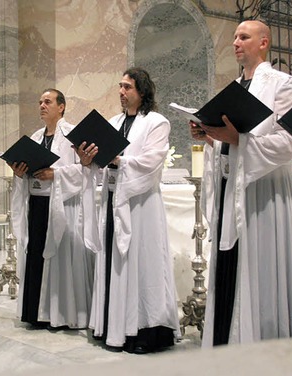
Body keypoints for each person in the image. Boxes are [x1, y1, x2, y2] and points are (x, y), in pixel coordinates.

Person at [190, 20, 292, 346]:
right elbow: (232, 142)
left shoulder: (282, 84)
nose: (235, 42)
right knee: (229, 269)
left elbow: (289, 142)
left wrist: (238, 140)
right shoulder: (234, 88)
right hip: (233, 189)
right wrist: (211, 136)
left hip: (264, 193)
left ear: (264, 43)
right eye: (233, 37)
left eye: (243, 37)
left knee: (259, 273)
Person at [77, 67, 180, 354]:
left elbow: (152, 162)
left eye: (128, 87)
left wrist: (121, 161)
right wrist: (89, 160)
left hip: (141, 204)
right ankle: (114, 325)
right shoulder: (113, 122)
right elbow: (101, 165)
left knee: (141, 262)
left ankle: (145, 331)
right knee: (114, 261)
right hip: (113, 199)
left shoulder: (157, 123)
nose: (121, 92)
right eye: (120, 87)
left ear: (142, 92)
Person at [9, 88, 94, 329]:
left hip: (61, 205)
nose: (42, 106)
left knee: (58, 259)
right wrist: (20, 173)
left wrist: (56, 174)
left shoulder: (73, 135)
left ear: (62, 107)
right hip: (36, 202)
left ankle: (60, 314)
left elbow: (86, 170)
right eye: (40, 102)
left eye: (48, 102)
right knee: (35, 255)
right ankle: (35, 313)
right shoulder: (36, 137)